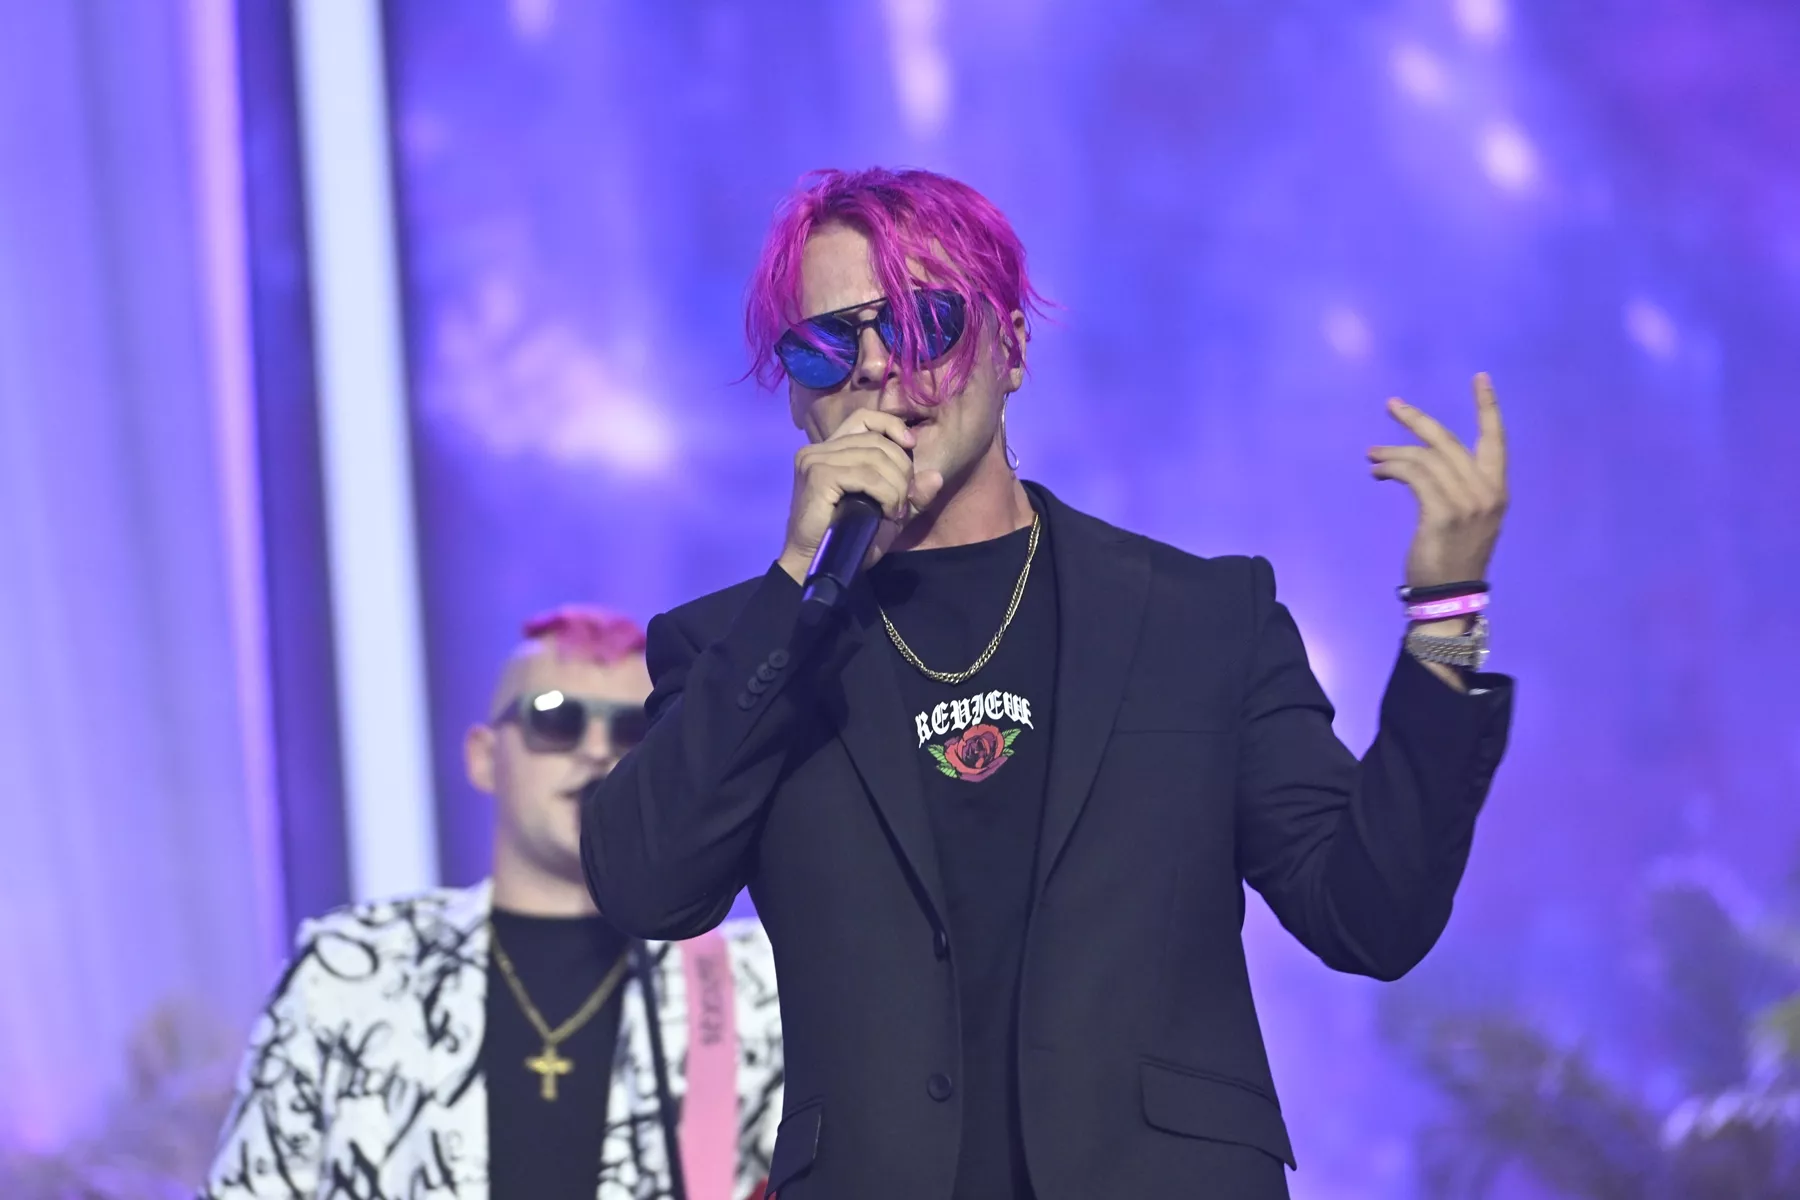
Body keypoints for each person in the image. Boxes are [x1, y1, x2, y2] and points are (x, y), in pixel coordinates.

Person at [582, 168, 1513, 1200]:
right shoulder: (737, 648)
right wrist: (798, 580)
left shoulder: (1199, 618)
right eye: (825, 344)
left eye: (925, 322)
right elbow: (647, 887)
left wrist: (1446, 618)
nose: (880, 366)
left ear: (1012, 348)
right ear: (798, 395)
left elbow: (1369, 913)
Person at [204, 606, 782, 1200]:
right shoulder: (350, 967)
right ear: (484, 757)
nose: (595, 751)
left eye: (632, 731)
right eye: (555, 718)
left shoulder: (745, 984)